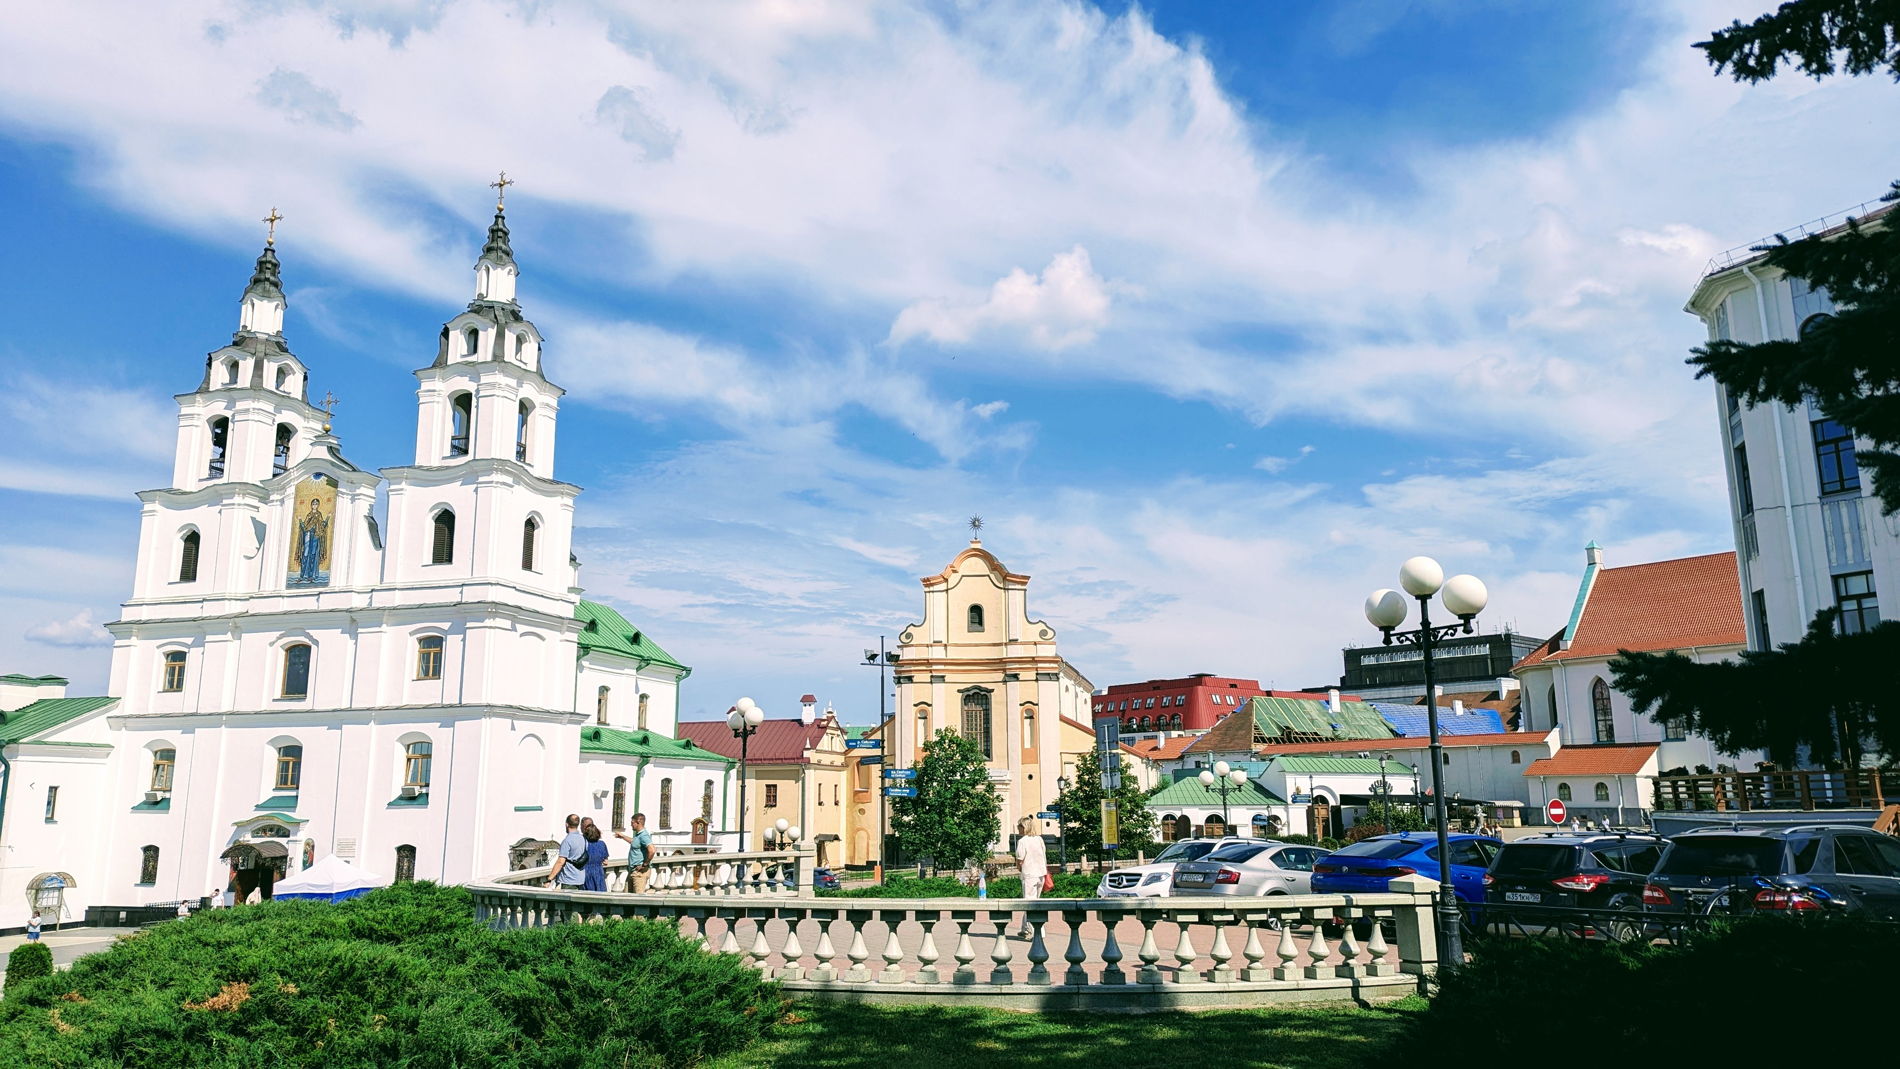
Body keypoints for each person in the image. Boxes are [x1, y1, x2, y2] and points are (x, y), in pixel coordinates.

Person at [1012, 816, 1047, 939]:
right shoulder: (1039, 839)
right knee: (1034, 901)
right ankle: (1025, 929)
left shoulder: (1023, 841)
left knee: (1029, 904)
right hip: (1041, 874)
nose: (1018, 829)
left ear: (1024, 827)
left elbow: (1020, 859)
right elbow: (1043, 855)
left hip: (1029, 875)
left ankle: (1039, 932)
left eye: (1019, 827)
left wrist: (1019, 868)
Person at [614, 812, 655, 893]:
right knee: (627, 896)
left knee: (638, 897)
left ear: (638, 822)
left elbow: (652, 850)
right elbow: (634, 842)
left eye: (632, 822)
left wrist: (644, 864)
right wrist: (623, 836)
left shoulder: (643, 835)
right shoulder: (638, 835)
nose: (631, 825)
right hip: (633, 871)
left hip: (639, 873)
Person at [549, 813, 587, 889]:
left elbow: (560, 862)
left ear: (566, 824)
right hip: (580, 879)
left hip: (568, 880)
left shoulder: (567, 841)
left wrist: (549, 879)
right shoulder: (583, 839)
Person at [580, 819, 609, 892]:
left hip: (585, 872)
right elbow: (605, 861)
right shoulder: (602, 844)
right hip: (598, 872)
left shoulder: (583, 843)